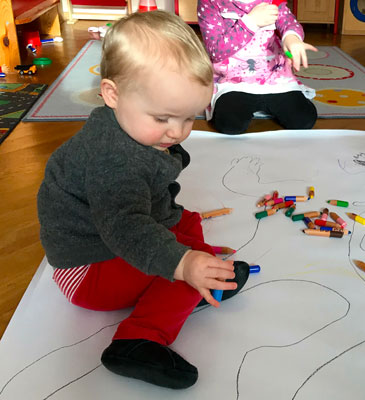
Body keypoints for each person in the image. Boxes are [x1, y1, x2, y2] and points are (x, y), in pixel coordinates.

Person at [37, 10, 249, 390]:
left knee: (187, 222)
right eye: (164, 118)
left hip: (107, 237)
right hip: (88, 268)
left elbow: (149, 196)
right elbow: (126, 227)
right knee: (179, 270)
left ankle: (200, 274)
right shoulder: (113, 160)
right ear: (112, 94)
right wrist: (182, 263)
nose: (178, 132)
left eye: (189, 118)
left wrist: (182, 249)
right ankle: (139, 340)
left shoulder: (127, 128)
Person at [198, 0, 318, 134]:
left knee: (304, 119)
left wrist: (292, 38)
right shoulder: (210, 3)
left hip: (275, 77)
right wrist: (251, 22)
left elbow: (288, 21)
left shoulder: (273, 1)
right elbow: (216, 51)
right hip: (234, 80)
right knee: (230, 124)